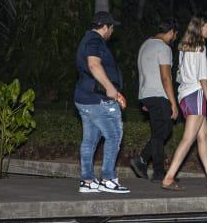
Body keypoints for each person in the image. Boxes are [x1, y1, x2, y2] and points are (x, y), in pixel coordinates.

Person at [160, 16, 207, 190]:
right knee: (188, 138)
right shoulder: (200, 47)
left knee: (203, 136)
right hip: (196, 93)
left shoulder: (184, 48)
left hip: (185, 95)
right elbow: (202, 78)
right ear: (199, 28)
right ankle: (168, 178)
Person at [73, 11, 130, 194]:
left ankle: (88, 181)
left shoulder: (87, 39)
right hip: (98, 100)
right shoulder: (95, 41)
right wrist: (110, 89)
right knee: (114, 135)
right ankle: (108, 178)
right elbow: (94, 64)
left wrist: (115, 92)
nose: (112, 32)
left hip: (86, 98)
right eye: (111, 28)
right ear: (105, 27)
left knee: (89, 140)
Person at [130, 19, 178, 181]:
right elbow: (166, 77)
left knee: (159, 131)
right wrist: (173, 103)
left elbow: (144, 71)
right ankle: (150, 166)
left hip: (147, 94)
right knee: (164, 130)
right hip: (159, 95)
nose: (174, 39)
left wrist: (145, 99)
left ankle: (151, 167)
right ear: (171, 32)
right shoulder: (163, 48)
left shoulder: (145, 45)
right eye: (174, 35)